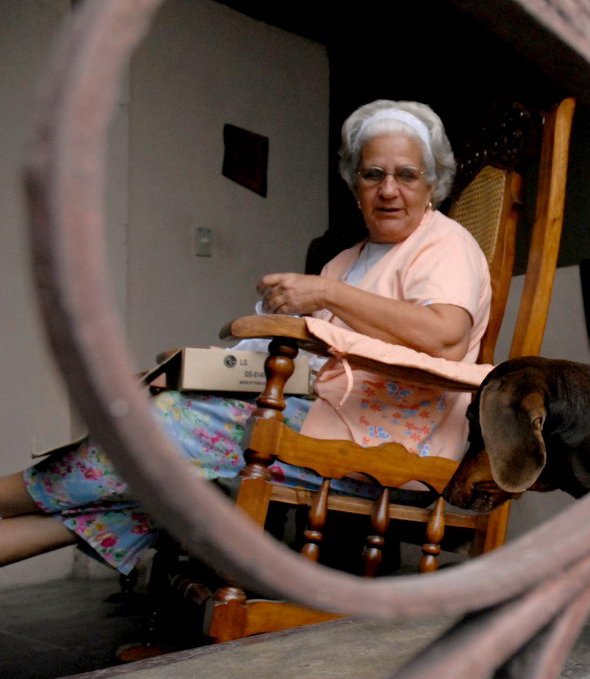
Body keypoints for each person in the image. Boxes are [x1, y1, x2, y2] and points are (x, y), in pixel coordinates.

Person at [0, 100, 491, 574]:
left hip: (393, 445)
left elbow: (445, 337)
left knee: (162, 427)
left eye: (406, 174)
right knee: (162, 475)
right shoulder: (347, 261)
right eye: (373, 175)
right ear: (354, 184)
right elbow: (275, 352)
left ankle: (7, 493)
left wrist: (327, 294)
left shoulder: (444, 243)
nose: (389, 189)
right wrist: (179, 372)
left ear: (433, 184)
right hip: (327, 417)